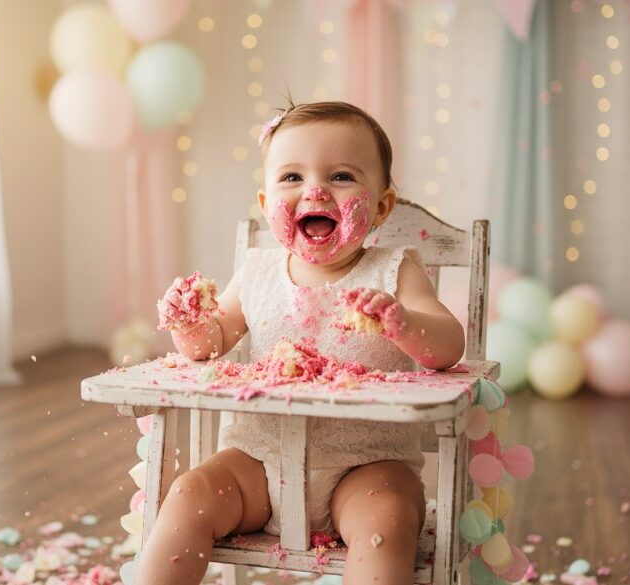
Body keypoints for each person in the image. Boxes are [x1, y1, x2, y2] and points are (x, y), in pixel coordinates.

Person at [145, 101, 466, 584]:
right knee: (189, 493)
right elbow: (207, 346)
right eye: (292, 177)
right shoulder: (255, 272)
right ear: (264, 203)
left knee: (388, 521)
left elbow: (449, 348)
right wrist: (188, 322)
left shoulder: (396, 270)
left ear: (380, 206)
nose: (314, 190)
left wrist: (404, 323)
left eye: (340, 176)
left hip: (366, 466)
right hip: (256, 464)